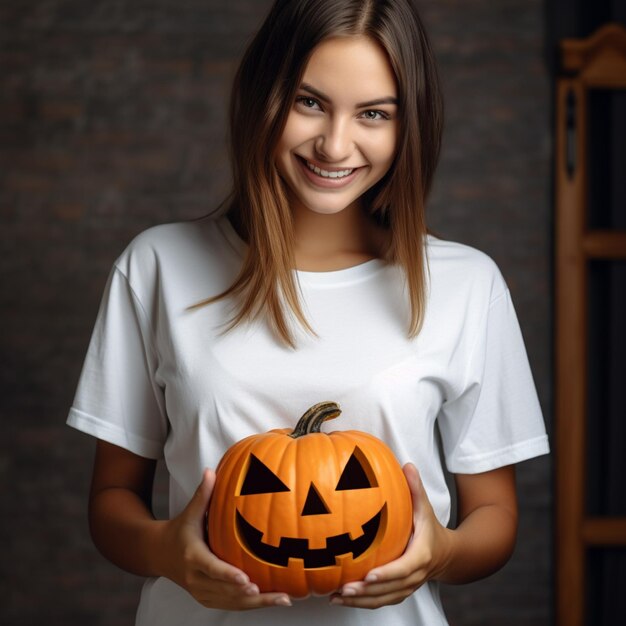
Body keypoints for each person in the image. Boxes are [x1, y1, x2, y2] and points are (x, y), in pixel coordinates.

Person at [67, 0, 550, 624]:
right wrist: (168, 550)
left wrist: (442, 552)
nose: (335, 144)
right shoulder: (157, 265)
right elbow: (111, 502)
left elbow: (496, 518)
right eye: (310, 102)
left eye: (373, 113)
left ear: (410, 127)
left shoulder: (465, 284)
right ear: (264, 97)